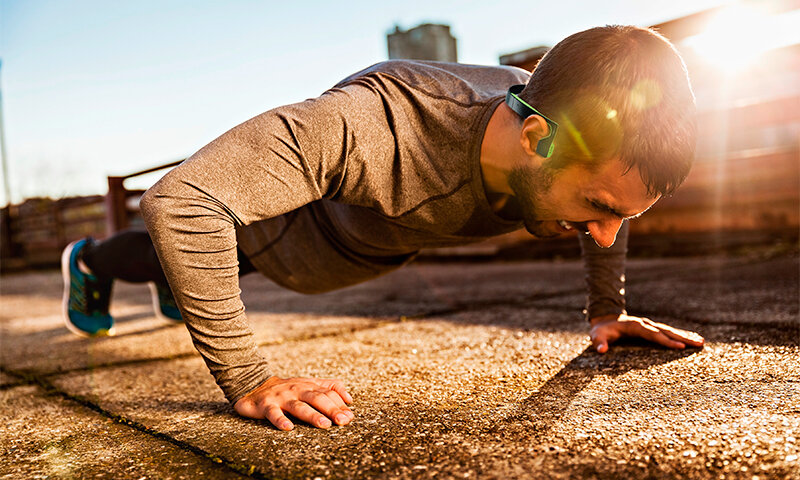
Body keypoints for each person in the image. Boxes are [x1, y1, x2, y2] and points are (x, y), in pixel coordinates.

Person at [61, 25, 705, 432]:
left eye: (621, 217)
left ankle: (183, 278)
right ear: (535, 138)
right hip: (287, 238)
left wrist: (606, 309)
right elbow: (183, 201)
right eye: (595, 207)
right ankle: (89, 260)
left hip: (367, 246)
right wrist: (249, 379)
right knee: (170, 248)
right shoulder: (377, 125)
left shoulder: (568, 128)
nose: (603, 234)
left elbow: (609, 202)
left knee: (188, 263)